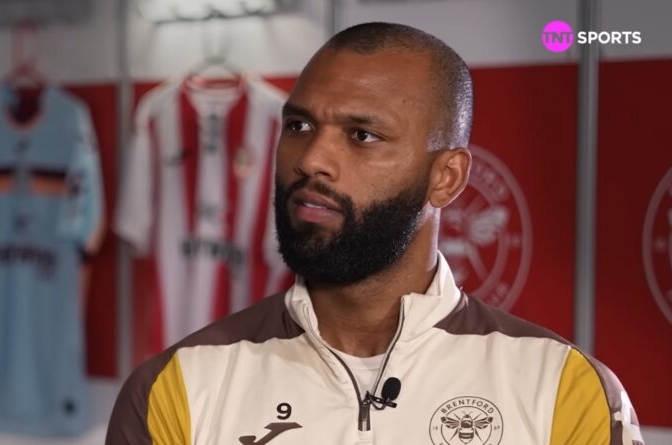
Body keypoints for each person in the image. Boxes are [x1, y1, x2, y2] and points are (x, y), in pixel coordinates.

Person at [106, 22, 644, 445]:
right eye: (298, 126)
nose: (311, 159)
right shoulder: (174, 390)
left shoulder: (563, 390)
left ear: (446, 177)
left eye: (362, 135)